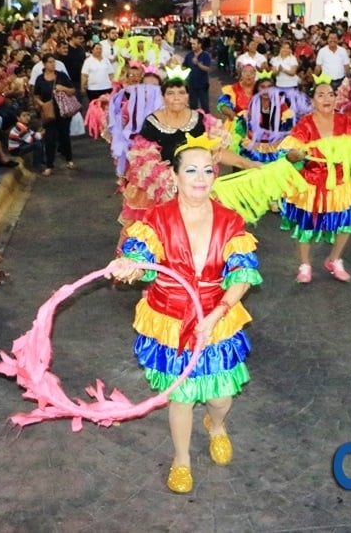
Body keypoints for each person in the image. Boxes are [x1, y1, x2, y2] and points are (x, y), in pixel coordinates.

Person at [109, 137, 261, 494]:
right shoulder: (156, 219)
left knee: (220, 397)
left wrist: (218, 313)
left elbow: (242, 274)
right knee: (181, 396)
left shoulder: (229, 220)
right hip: (171, 319)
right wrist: (131, 267)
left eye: (208, 170)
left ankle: (218, 425)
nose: (201, 177)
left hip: (216, 318)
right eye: (191, 170)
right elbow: (141, 259)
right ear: (174, 177)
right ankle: (182, 459)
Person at [120, 75, 256, 228]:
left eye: (181, 92)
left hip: (196, 184)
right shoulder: (152, 122)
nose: (176, 98)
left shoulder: (200, 119)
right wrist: (173, 183)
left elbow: (217, 152)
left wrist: (247, 163)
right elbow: (145, 163)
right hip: (163, 189)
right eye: (171, 93)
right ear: (163, 97)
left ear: (188, 96)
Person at [280, 76, 351, 284]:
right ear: (313, 101)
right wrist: (294, 155)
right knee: (306, 227)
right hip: (311, 182)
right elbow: (289, 152)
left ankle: (334, 259)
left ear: (336, 99)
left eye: (331, 95)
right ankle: (305, 264)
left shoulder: (345, 121)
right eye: (321, 94)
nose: (327, 98)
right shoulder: (305, 124)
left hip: (339, 182)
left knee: (346, 224)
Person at [32, 55, 78, 175]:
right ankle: (49, 165)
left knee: (64, 136)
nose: (53, 64)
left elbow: (72, 90)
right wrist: (42, 104)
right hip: (49, 112)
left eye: (54, 62)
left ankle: (69, 158)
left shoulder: (61, 76)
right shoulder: (40, 79)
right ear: (44, 64)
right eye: (50, 62)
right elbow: (36, 95)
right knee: (49, 139)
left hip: (63, 111)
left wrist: (63, 88)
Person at [182, 37, 212, 112]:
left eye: (194, 44)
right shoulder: (189, 55)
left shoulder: (206, 55)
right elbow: (184, 66)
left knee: (205, 106)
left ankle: (206, 122)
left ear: (200, 45)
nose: (192, 45)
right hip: (191, 85)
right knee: (193, 106)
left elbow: (207, 68)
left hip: (203, 85)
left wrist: (198, 64)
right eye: (192, 44)